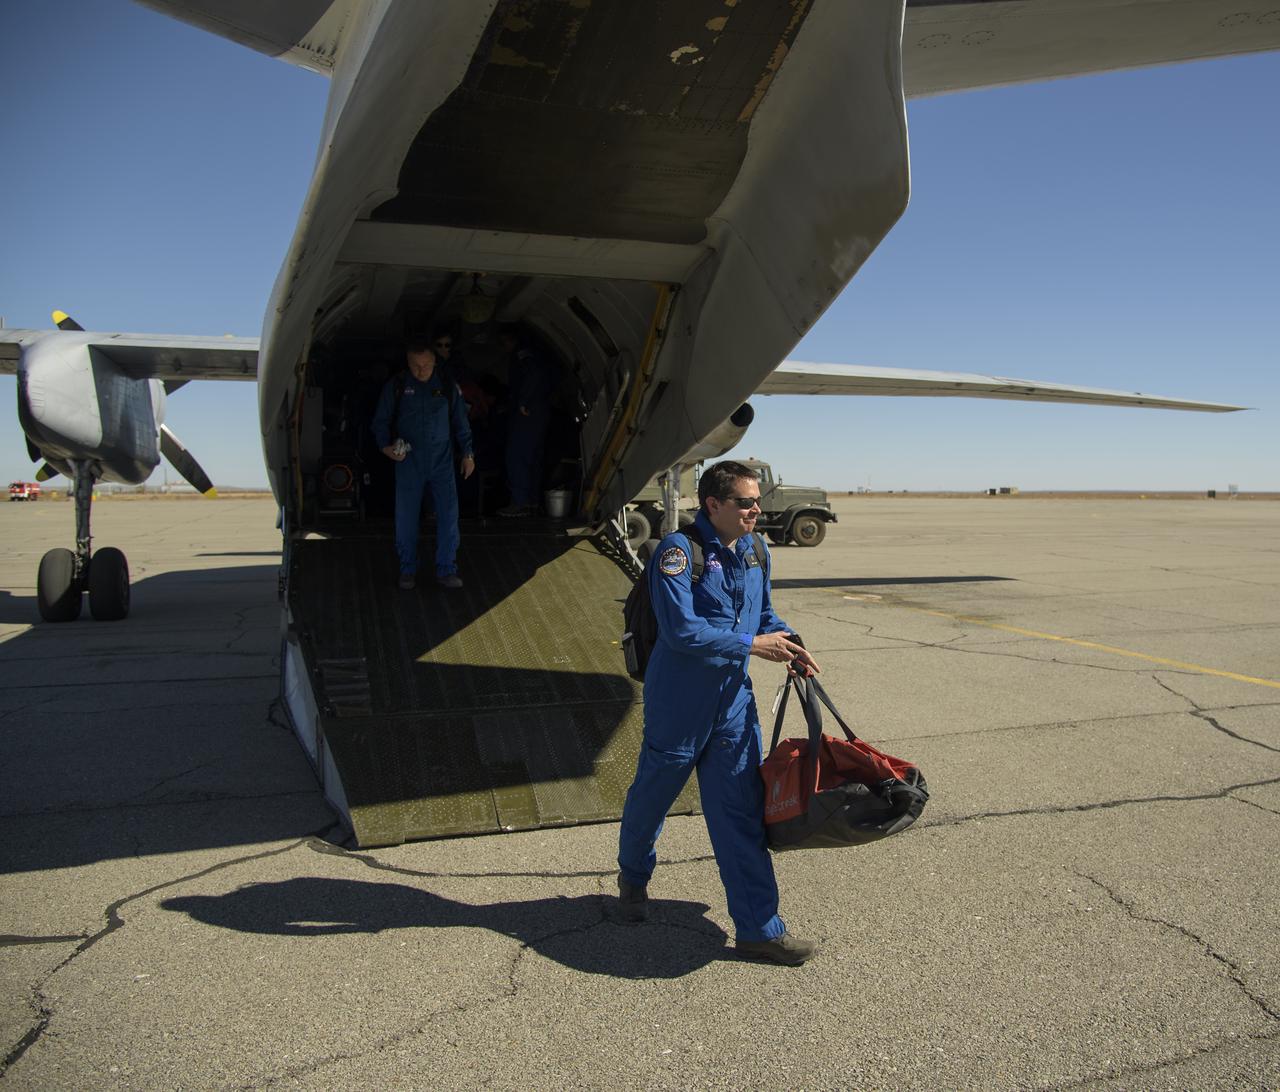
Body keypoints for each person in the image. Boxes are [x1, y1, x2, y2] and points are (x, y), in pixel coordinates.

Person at [616, 460, 821, 965]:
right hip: (679, 702)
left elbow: (765, 613)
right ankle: (633, 878)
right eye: (746, 502)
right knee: (652, 797)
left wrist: (790, 642)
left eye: (757, 500)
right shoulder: (677, 554)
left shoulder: (755, 549)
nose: (757, 509)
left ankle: (758, 928)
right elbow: (682, 632)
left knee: (740, 814)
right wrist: (753, 643)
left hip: (731, 703)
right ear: (714, 505)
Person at [372, 336, 475, 590]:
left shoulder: (448, 387)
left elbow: (461, 422)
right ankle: (407, 570)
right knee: (406, 518)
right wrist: (386, 447)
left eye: (426, 365)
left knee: (449, 517)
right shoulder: (396, 386)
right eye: (415, 366)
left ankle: (446, 569)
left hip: (441, 462)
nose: (421, 371)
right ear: (408, 363)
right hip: (409, 461)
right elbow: (380, 422)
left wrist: (468, 454)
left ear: (434, 361)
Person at [497, 326, 555, 517]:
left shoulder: (523, 355)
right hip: (539, 412)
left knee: (516, 456)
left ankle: (520, 503)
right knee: (533, 458)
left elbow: (534, 375)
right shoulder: (536, 353)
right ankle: (532, 502)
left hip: (528, 413)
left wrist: (523, 401)